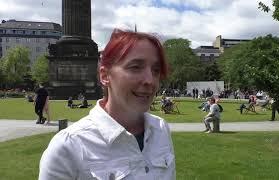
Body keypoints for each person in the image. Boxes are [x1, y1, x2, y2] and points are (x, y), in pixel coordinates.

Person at [39, 29, 176, 179]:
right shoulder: (68, 146)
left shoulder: (160, 129)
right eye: (135, 67)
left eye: (156, 70)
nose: (150, 80)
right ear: (105, 76)